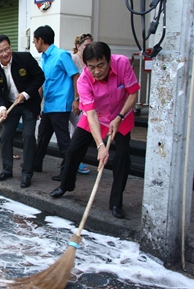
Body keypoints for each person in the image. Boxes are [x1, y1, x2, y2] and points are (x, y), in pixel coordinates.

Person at [49, 41, 140, 219]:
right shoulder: (84, 80)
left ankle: (116, 203)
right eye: (91, 67)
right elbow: (90, 115)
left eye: (101, 65)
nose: (97, 71)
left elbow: (133, 93)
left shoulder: (121, 63)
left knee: (122, 156)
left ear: (109, 60)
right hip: (96, 116)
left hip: (120, 115)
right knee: (73, 150)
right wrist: (100, 146)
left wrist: (119, 117)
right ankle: (65, 185)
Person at [0, 34, 44, 188]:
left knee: (28, 136)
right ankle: (7, 170)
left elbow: (40, 78)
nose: (5, 53)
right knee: (5, 136)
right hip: (10, 105)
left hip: (29, 104)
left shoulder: (25, 58)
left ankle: (27, 173)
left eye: (7, 48)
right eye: (0, 51)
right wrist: (1, 108)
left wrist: (26, 94)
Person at [31, 25, 79, 182]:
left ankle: (67, 172)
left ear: (41, 40)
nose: (34, 44)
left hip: (61, 104)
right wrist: (38, 104)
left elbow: (75, 76)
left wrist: (76, 99)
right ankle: (36, 164)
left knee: (63, 140)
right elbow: (42, 82)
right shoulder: (44, 58)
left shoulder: (61, 55)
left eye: (34, 41)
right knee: (43, 135)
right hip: (49, 104)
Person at [71, 33, 94, 175]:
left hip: (89, 100)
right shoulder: (73, 59)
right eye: (86, 45)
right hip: (76, 100)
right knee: (76, 130)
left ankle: (76, 160)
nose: (88, 48)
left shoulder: (92, 59)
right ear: (78, 46)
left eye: (91, 45)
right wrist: (76, 99)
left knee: (82, 131)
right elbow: (74, 80)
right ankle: (75, 161)